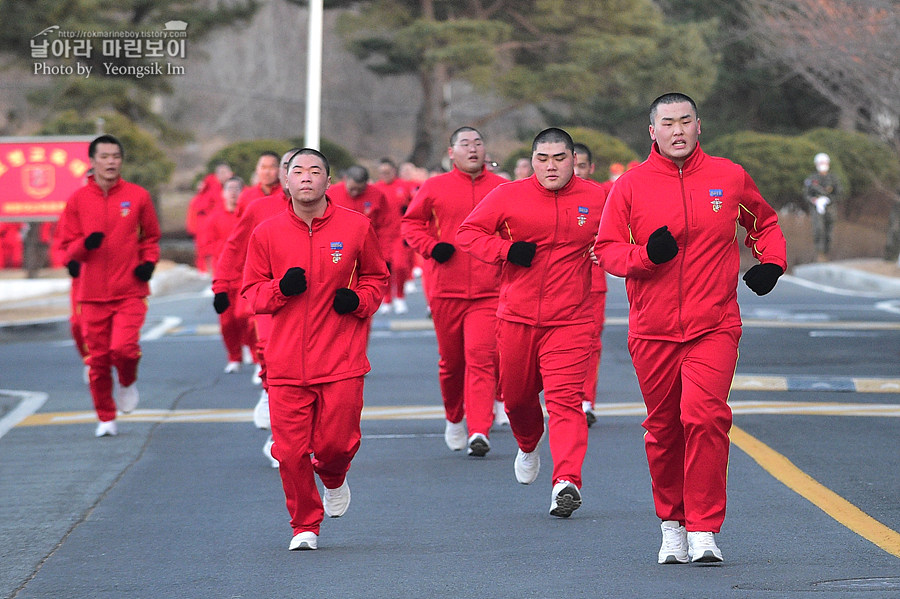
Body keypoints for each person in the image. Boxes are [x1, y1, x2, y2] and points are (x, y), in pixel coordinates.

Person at [594, 92, 787, 564]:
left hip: (714, 324)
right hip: (652, 329)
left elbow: (763, 223)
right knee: (663, 429)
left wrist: (772, 263)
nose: (677, 131)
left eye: (685, 121)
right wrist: (646, 257)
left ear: (699, 125)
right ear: (652, 131)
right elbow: (608, 249)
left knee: (704, 417)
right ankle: (672, 524)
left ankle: (703, 529)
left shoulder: (728, 176)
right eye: (667, 123)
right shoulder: (630, 186)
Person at [242, 148, 389, 551]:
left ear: (328, 181)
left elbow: (378, 277)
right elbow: (252, 292)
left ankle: (335, 477)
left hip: (341, 359)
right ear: (285, 181)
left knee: (336, 445)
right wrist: (279, 289)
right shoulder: (267, 232)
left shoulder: (356, 227)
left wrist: (357, 301)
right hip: (286, 362)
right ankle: (304, 525)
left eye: (315, 171)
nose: (306, 178)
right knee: (289, 453)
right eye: (298, 171)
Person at [457, 127, 606, 518]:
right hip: (517, 317)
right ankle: (527, 444)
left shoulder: (596, 197)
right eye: (543, 159)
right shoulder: (508, 195)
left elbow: (626, 232)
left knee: (565, 402)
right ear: (533, 161)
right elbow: (468, 233)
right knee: (519, 399)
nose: (551, 166)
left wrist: (607, 251)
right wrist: (507, 250)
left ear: (574, 160)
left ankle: (566, 481)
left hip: (571, 318)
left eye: (560, 158)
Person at [402, 126, 508, 457]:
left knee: (482, 357)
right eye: (465, 144)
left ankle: (479, 429)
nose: (473, 149)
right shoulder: (435, 187)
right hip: (446, 288)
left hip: (490, 289)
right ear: (451, 153)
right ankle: (454, 418)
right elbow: (410, 224)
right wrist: (432, 248)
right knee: (452, 362)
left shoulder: (502, 188)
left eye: (478, 143)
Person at [59, 134, 161, 437]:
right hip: (91, 295)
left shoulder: (138, 196)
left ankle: (127, 381)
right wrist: (83, 246)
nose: (111, 161)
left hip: (130, 289)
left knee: (125, 350)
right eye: (104, 156)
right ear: (92, 161)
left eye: (116, 156)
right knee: (99, 360)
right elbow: (66, 246)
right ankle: (105, 416)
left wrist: (148, 263)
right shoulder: (77, 200)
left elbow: (151, 238)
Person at [213, 149, 297, 465]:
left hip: (311, 306)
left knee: (305, 375)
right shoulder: (259, 208)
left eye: (308, 169)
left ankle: (288, 428)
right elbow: (234, 248)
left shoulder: (328, 211)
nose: (298, 175)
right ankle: (279, 436)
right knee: (276, 364)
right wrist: (221, 286)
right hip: (269, 302)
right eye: (290, 168)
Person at [572, 142, 611, 427]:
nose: (575, 171)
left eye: (581, 166)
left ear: (591, 168)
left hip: (593, 282)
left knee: (589, 342)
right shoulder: (547, 195)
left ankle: (585, 401)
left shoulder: (603, 197)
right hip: (551, 286)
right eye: (570, 164)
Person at [328, 165, 396, 313]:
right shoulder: (331, 194)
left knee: (363, 296)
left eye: (359, 189)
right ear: (346, 180)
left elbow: (385, 227)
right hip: (338, 251)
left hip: (367, 252)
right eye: (352, 188)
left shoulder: (377, 195)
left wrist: (385, 256)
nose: (355, 193)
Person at [205, 176, 252, 374]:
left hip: (246, 276)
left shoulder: (248, 216)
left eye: (237, 188)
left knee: (246, 317)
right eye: (229, 189)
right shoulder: (213, 218)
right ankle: (234, 357)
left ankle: (251, 348)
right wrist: (212, 277)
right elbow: (207, 250)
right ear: (223, 193)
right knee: (226, 322)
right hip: (224, 278)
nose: (233, 193)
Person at [374, 157, 414, 315]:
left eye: (388, 171)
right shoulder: (375, 189)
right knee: (385, 269)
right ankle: (387, 298)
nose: (385, 174)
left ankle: (400, 296)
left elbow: (414, 207)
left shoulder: (403, 187)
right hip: (381, 236)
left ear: (394, 171)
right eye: (382, 172)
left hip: (399, 234)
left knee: (400, 265)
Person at [186, 162, 233, 273]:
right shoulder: (207, 190)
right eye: (221, 173)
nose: (223, 176)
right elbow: (195, 209)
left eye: (225, 173)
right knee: (207, 265)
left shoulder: (238, 188)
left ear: (231, 174)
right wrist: (192, 230)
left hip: (228, 231)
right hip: (208, 234)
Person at [804, 152, 842, 261]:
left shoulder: (833, 178)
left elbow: (839, 193)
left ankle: (827, 253)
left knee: (829, 231)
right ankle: (819, 253)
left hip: (830, 208)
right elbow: (806, 194)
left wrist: (829, 200)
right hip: (817, 209)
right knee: (818, 229)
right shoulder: (811, 179)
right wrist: (814, 200)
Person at [235, 152, 280, 216]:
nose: (267, 172)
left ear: (279, 169)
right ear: (257, 169)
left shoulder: (287, 194)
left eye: (271, 167)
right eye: (263, 167)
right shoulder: (247, 195)